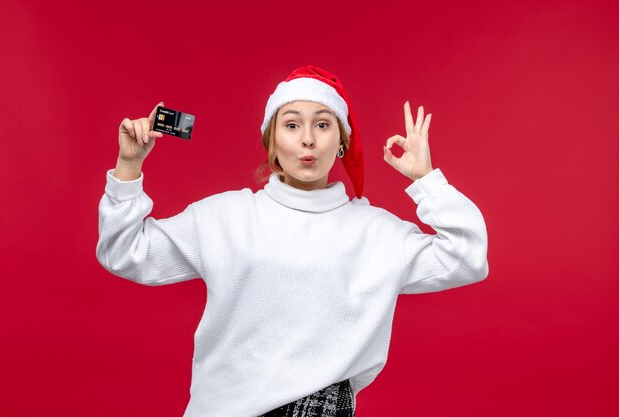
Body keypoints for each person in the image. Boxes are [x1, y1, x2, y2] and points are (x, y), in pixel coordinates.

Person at [96, 65, 489, 417]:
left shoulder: (376, 232)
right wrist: (128, 167)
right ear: (272, 142)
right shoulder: (223, 217)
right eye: (291, 124)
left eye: (322, 124)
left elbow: (467, 258)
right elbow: (125, 253)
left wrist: (426, 181)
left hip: (321, 407)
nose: (307, 140)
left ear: (341, 142)